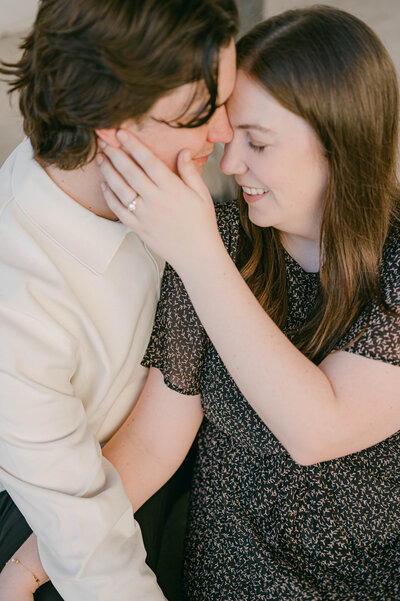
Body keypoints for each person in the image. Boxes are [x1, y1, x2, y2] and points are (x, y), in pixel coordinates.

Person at [93, 5, 399, 600]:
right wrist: (30, 562)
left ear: (341, 139)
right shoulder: (222, 239)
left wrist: (197, 252)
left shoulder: (391, 265)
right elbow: (154, 440)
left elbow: (316, 429)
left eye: (257, 143)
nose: (230, 166)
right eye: (232, 138)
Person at [0, 0, 238, 599]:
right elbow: (88, 544)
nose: (227, 133)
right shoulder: (17, 315)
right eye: (199, 114)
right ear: (113, 124)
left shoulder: (130, 168)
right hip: (63, 501)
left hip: (171, 429)